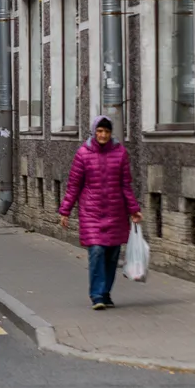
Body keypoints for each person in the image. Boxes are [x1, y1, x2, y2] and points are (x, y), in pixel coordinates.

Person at [57, 115, 142, 310]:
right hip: (91, 212)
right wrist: (65, 211)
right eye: (100, 131)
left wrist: (134, 210)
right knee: (96, 251)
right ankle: (96, 295)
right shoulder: (83, 154)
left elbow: (126, 185)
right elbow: (74, 186)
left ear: (111, 133)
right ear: (94, 132)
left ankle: (105, 293)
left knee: (112, 254)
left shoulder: (120, 154)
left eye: (107, 132)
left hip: (116, 212)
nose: (103, 135)